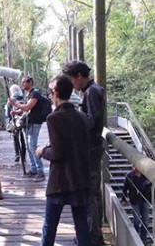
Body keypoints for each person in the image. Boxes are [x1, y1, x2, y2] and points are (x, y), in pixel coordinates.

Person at [36, 75, 91, 246]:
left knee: (50, 225)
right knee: (82, 226)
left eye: (50, 92)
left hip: (60, 181)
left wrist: (41, 151)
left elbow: (57, 152)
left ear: (56, 93)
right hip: (81, 179)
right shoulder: (82, 117)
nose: (50, 95)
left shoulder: (53, 118)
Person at [63, 60, 105, 245]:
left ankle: (91, 237)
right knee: (93, 192)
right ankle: (92, 234)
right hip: (92, 147)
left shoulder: (92, 92)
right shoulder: (92, 90)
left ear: (79, 76)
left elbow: (91, 121)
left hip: (91, 148)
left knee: (90, 194)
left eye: (71, 80)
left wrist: (72, 114)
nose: (71, 85)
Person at [8, 76, 45, 182]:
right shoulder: (28, 95)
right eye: (22, 82)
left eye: (25, 82)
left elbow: (28, 107)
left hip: (34, 123)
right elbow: (25, 109)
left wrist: (14, 104)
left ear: (30, 82)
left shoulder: (35, 93)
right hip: (28, 123)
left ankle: (40, 171)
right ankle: (33, 169)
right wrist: (16, 112)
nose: (23, 84)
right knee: (29, 147)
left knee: (33, 146)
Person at [121, 165, 151, 244]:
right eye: (134, 166)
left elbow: (150, 186)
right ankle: (136, 237)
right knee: (136, 220)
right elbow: (125, 188)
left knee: (145, 220)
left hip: (145, 200)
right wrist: (123, 199)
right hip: (134, 201)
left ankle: (143, 239)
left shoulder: (146, 175)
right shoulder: (129, 176)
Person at [5, 84, 26, 163]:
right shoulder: (23, 98)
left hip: (14, 120)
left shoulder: (11, 99)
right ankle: (23, 155)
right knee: (22, 138)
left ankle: (17, 154)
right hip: (22, 120)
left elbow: (7, 113)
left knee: (15, 138)